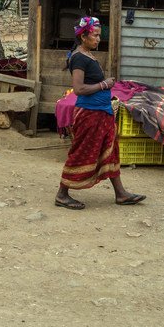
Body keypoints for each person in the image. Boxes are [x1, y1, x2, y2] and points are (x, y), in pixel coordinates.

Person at [55, 16, 146, 209]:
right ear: (84, 36)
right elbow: (78, 89)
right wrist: (104, 84)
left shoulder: (88, 56)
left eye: (98, 36)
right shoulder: (79, 58)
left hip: (102, 113)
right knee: (82, 151)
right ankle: (62, 194)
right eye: (95, 35)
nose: (98, 39)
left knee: (110, 151)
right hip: (89, 114)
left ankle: (120, 194)